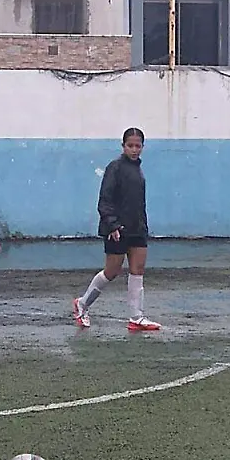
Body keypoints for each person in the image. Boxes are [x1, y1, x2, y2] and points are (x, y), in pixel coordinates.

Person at [72, 127, 161, 331]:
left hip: (137, 228)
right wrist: (112, 224)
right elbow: (105, 199)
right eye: (130, 145)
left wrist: (143, 225)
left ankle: (136, 317)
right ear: (123, 146)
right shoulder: (115, 167)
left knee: (137, 270)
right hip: (117, 229)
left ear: (143, 147)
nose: (134, 149)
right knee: (112, 271)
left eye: (138, 146)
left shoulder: (139, 170)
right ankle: (82, 303)